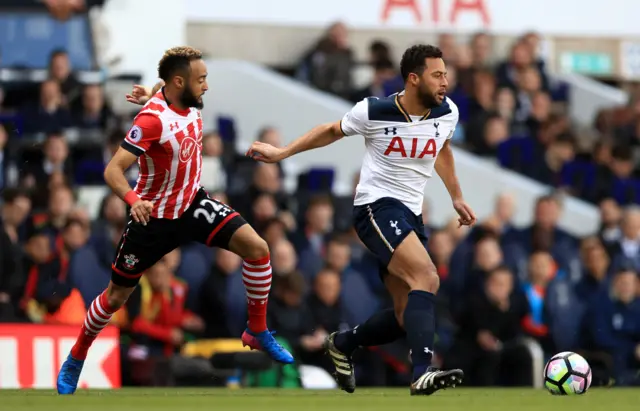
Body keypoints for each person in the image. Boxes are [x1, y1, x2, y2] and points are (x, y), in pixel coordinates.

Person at [56, 46, 293, 395]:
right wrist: (134, 200)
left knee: (258, 249)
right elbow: (113, 170)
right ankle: (77, 355)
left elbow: (165, 95)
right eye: (201, 80)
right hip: (153, 217)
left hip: (192, 204)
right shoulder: (150, 121)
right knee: (115, 297)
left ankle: (256, 330)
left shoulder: (183, 98)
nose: (206, 87)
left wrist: (151, 91)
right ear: (180, 82)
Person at [247, 44, 476, 395]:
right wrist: (282, 153)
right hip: (376, 208)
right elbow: (330, 130)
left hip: (411, 216)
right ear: (414, 79)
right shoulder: (375, 110)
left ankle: (344, 343)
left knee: (405, 316)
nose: (446, 81)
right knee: (427, 276)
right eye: (438, 74)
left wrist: (456, 196)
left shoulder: (447, 113)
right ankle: (421, 373)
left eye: (446, 74)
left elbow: (441, 148)